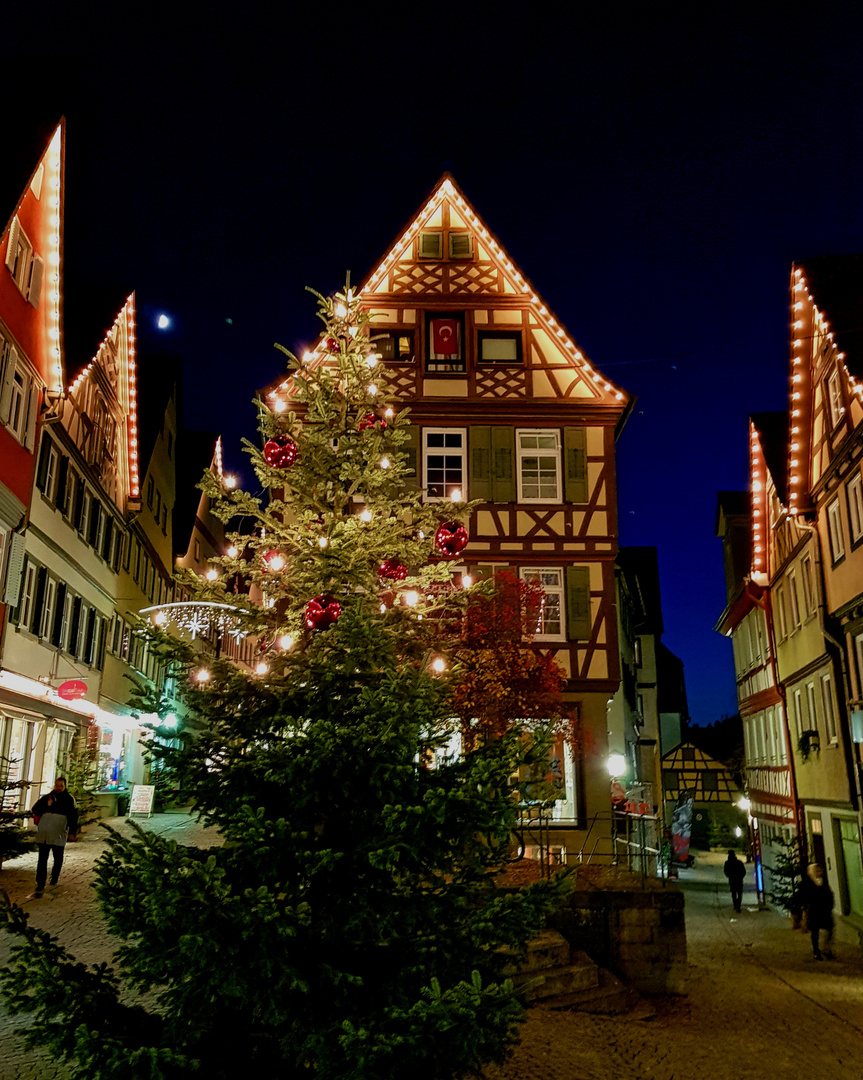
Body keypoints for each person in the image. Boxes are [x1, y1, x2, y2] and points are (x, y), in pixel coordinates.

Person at [31, 777, 78, 896]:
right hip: (45, 833)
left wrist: (72, 832)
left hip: (59, 832)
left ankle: (54, 877)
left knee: (58, 857)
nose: (58, 788)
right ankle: (40, 883)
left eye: (61, 786)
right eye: (57, 785)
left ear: (65, 786)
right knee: (42, 859)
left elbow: (73, 817)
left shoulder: (69, 799)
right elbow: (35, 809)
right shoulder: (47, 797)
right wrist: (47, 806)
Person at [800, 863, 834, 959]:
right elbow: (804, 898)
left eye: (820, 870)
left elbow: (829, 894)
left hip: (824, 911)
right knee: (815, 932)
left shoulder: (824, 881)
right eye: (816, 871)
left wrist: (830, 905)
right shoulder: (808, 883)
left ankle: (827, 949)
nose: (819, 872)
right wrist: (804, 913)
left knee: (830, 929)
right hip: (814, 911)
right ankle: (816, 951)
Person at [723, 849, 746, 913]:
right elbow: (743, 871)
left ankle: (735, 904)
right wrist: (741, 876)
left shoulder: (727, 863)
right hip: (739, 879)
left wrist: (730, 876)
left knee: (733, 893)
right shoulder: (739, 862)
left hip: (732, 880)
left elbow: (726, 871)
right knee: (739, 892)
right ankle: (738, 904)